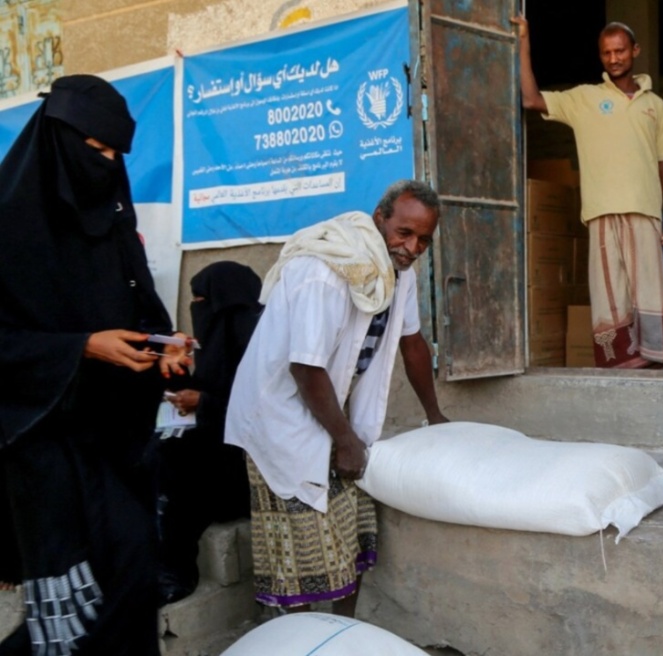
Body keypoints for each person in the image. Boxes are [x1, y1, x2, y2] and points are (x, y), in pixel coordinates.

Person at [0, 75, 190, 655]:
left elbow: (137, 306)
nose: (107, 167)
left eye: (117, 156)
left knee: (133, 577)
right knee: (72, 604)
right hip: (42, 443)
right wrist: (81, 345)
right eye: (97, 153)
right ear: (58, 143)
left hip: (115, 438)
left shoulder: (110, 221)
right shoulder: (8, 229)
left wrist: (167, 343)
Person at [225, 179, 449, 617]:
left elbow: (413, 343)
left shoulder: (398, 273)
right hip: (282, 417)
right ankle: (303, 640)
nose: (413, 247)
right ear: (379, 219)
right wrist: (346, 440)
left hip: (329, 411)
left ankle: (344, 636)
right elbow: (305, 367)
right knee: (302, 551)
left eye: (424, 239)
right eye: (405, 233)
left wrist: (436, 415)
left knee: (355, 533)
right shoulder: (326, 270)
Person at [513, 14, 663, 368]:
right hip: (601, 212)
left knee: (649, 289)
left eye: (620, 51)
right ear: (600, 56)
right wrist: (524, 41)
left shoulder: (655, 105)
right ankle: (619, 363)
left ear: (635, 50)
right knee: (609, 293)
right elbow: (530, 99)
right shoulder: (584, 99)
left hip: (646, 210)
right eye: (606, 53)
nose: (614, 58)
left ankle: (654, 359)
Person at [157, 261, 263, 604]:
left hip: (252, 475)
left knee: (177, 465)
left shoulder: (258, 340)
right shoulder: (223, 337)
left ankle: (177, 571)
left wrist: (204, 401)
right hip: (224, 459)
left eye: (202, 300)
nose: (197, 308)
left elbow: (261, 404)